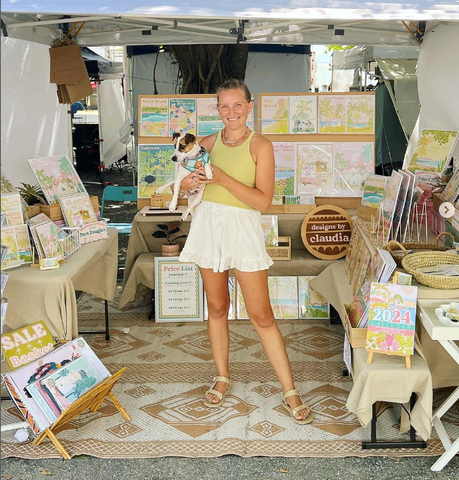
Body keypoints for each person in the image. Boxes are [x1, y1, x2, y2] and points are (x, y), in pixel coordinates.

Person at [178, 79, 313, 424]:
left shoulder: (260, 145)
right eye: (224, 105)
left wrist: (222, 178)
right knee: (216, 307)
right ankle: (222, 376)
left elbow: (263, 202)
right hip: (208, 226)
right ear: (217, 109)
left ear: (250, 106)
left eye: (237, 104)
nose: (231, 111)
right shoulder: (206, 143)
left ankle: (289, 390)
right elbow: (182, 188)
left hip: (243, 230)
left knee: (262, 316)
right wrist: (187, 184)